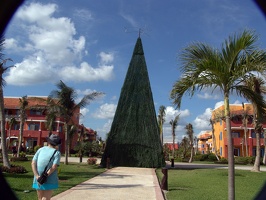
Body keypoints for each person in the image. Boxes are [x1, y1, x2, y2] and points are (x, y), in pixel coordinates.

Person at [31, 134, 61, 200]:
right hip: (49, 178)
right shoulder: (57, 153)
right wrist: (44, 176)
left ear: (48, 142)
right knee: (46, 198)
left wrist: (37, 176)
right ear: (56, 144)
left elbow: (33, 163)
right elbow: (54, 166)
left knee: (39, 198)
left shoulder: (40, 150)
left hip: (37, 178)